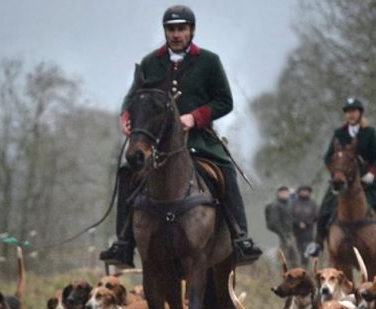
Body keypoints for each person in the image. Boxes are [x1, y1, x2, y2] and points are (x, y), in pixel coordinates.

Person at [99, 5, 262, 267]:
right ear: (165, 31)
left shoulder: (209, 61)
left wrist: (194, 118)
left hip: (200, 140)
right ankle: (123, 243)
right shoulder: (151, 62)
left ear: (191, 31)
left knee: (225, 169)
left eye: (181, 29)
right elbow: (132, 97)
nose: (176, 34)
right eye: (171, 29)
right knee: (127, 172)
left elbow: (225, 101)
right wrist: (126, 118)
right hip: (158, 143)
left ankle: (240, 237)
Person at [305, 97, 376, 258]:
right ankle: (317, 243)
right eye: (348, 112)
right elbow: (328, 157)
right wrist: (336, 173)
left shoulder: (369, 132)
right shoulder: (339, 133)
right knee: (325, 207)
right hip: (342, 180)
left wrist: (372, 173)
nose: (351, 115)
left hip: (366, 180)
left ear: (360, 113)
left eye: (354, 111)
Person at [265, 186, 299, 265]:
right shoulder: (275, 205)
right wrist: (283, 235)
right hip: (282, 235)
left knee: (294, 257)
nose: (284, 194)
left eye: (286, 193)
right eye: (282, 193)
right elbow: (274, 223)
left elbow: (291, 219)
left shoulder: (289, 204)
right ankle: (282, 274)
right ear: (278, 194)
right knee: (283, 257)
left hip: (290, 234)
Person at [290, 185, 317, 265]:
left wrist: (307, 223)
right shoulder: (294, 203)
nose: (304, 192)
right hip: (296, 233)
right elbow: (290, 216)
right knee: (297, 253)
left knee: (308, 253)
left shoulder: (312, 203)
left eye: (306, 191)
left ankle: (309, 269)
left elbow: (316, 215)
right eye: (302, 191)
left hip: (309, 233)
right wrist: (298, 223)